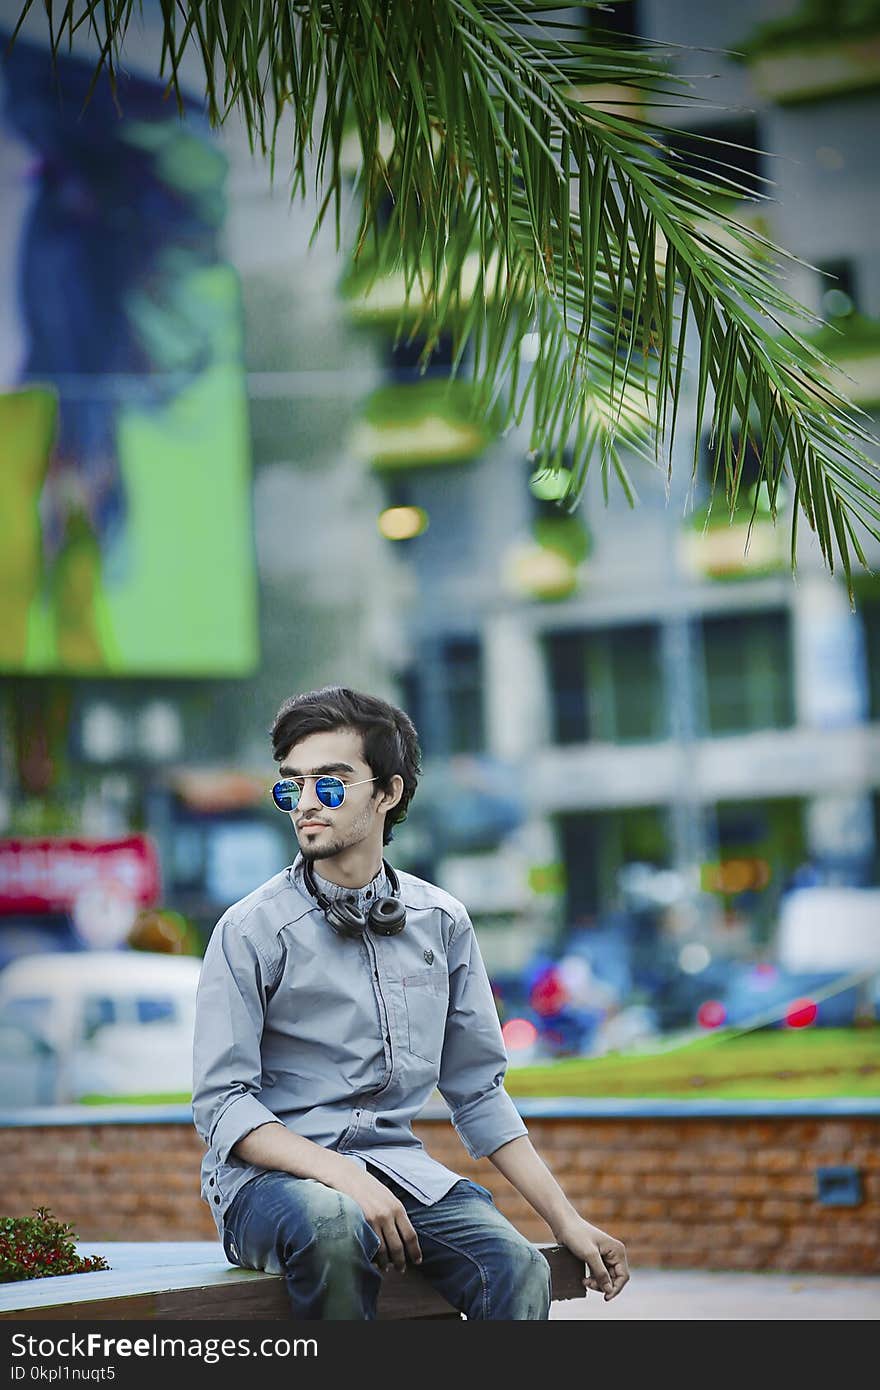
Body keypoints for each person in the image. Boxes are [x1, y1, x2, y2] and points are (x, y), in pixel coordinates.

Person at [192, 686, 629, 1320]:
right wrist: (341, 1176)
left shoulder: (441, 922)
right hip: (269, 1190)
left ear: (387, 793)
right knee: (335, 1223)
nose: (306, 804)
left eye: (331, 784)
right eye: (291, 786)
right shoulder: (249, 929)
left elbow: (478, 1090)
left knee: (517, 1270)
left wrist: (567, 1221)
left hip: (399, 1174)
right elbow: (222, 1103)